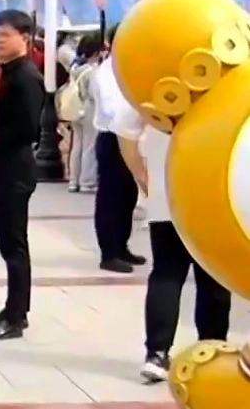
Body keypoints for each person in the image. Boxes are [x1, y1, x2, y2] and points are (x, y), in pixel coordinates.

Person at [104, 83, 231, 382]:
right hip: (216, 193)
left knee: (167, 273)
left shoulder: (158, 80)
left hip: (167, 192)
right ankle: (211, 353)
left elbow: (124, 128)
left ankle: (157, 353)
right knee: (214, 278)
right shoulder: (227, 78)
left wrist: (141, 174)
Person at [0, 10, 44, 342]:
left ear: (24, 38)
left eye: (5, 35)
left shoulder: (26, 76)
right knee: (7, 242)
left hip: (14, 167)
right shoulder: (9, 71)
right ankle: (11, 308)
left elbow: (28, 129)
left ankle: (16, 316)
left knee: (14, 245)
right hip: (1, 165)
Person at [90, 26, 144, 273]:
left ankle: (122, 245)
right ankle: (109, 252)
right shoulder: (106, 72)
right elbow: (112, 108)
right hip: (113, 137)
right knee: (111, 196)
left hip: (131, 137)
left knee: (127, 194)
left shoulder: (131, 67)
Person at [64, 36, 102, 193]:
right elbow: (93, 93)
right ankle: (87, 181)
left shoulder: (75, 67)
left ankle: (74, 180)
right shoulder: (92, 71)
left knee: (77, 145)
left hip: (76, 107)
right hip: (89, 107)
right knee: (90, 146)